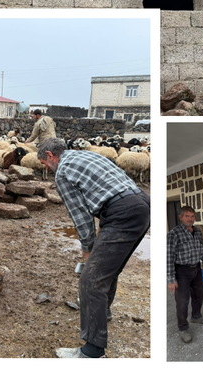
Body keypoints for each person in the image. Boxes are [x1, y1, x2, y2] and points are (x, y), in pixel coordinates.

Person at [38, 137, 150, 358]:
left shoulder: (63, 173)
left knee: (91, 279)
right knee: (110, 268)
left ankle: (92, 353)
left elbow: (82, 218)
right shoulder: (87, 155)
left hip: (121, 213)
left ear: (50, 156)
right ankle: (103, 311)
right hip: (142, 204)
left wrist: (87, 251)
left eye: (44, 164)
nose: (47, 169)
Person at [167, 206, 203, 343]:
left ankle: (196, 316)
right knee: (182, 301)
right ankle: (182, 328)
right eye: (187, 216)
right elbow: (169, 256)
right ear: (181, 217)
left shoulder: (197, 232)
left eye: (192, 216)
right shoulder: (173, 234)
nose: (190, 219)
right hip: (181, 271)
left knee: (199, 294)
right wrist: (171, 279)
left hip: (196, 268)